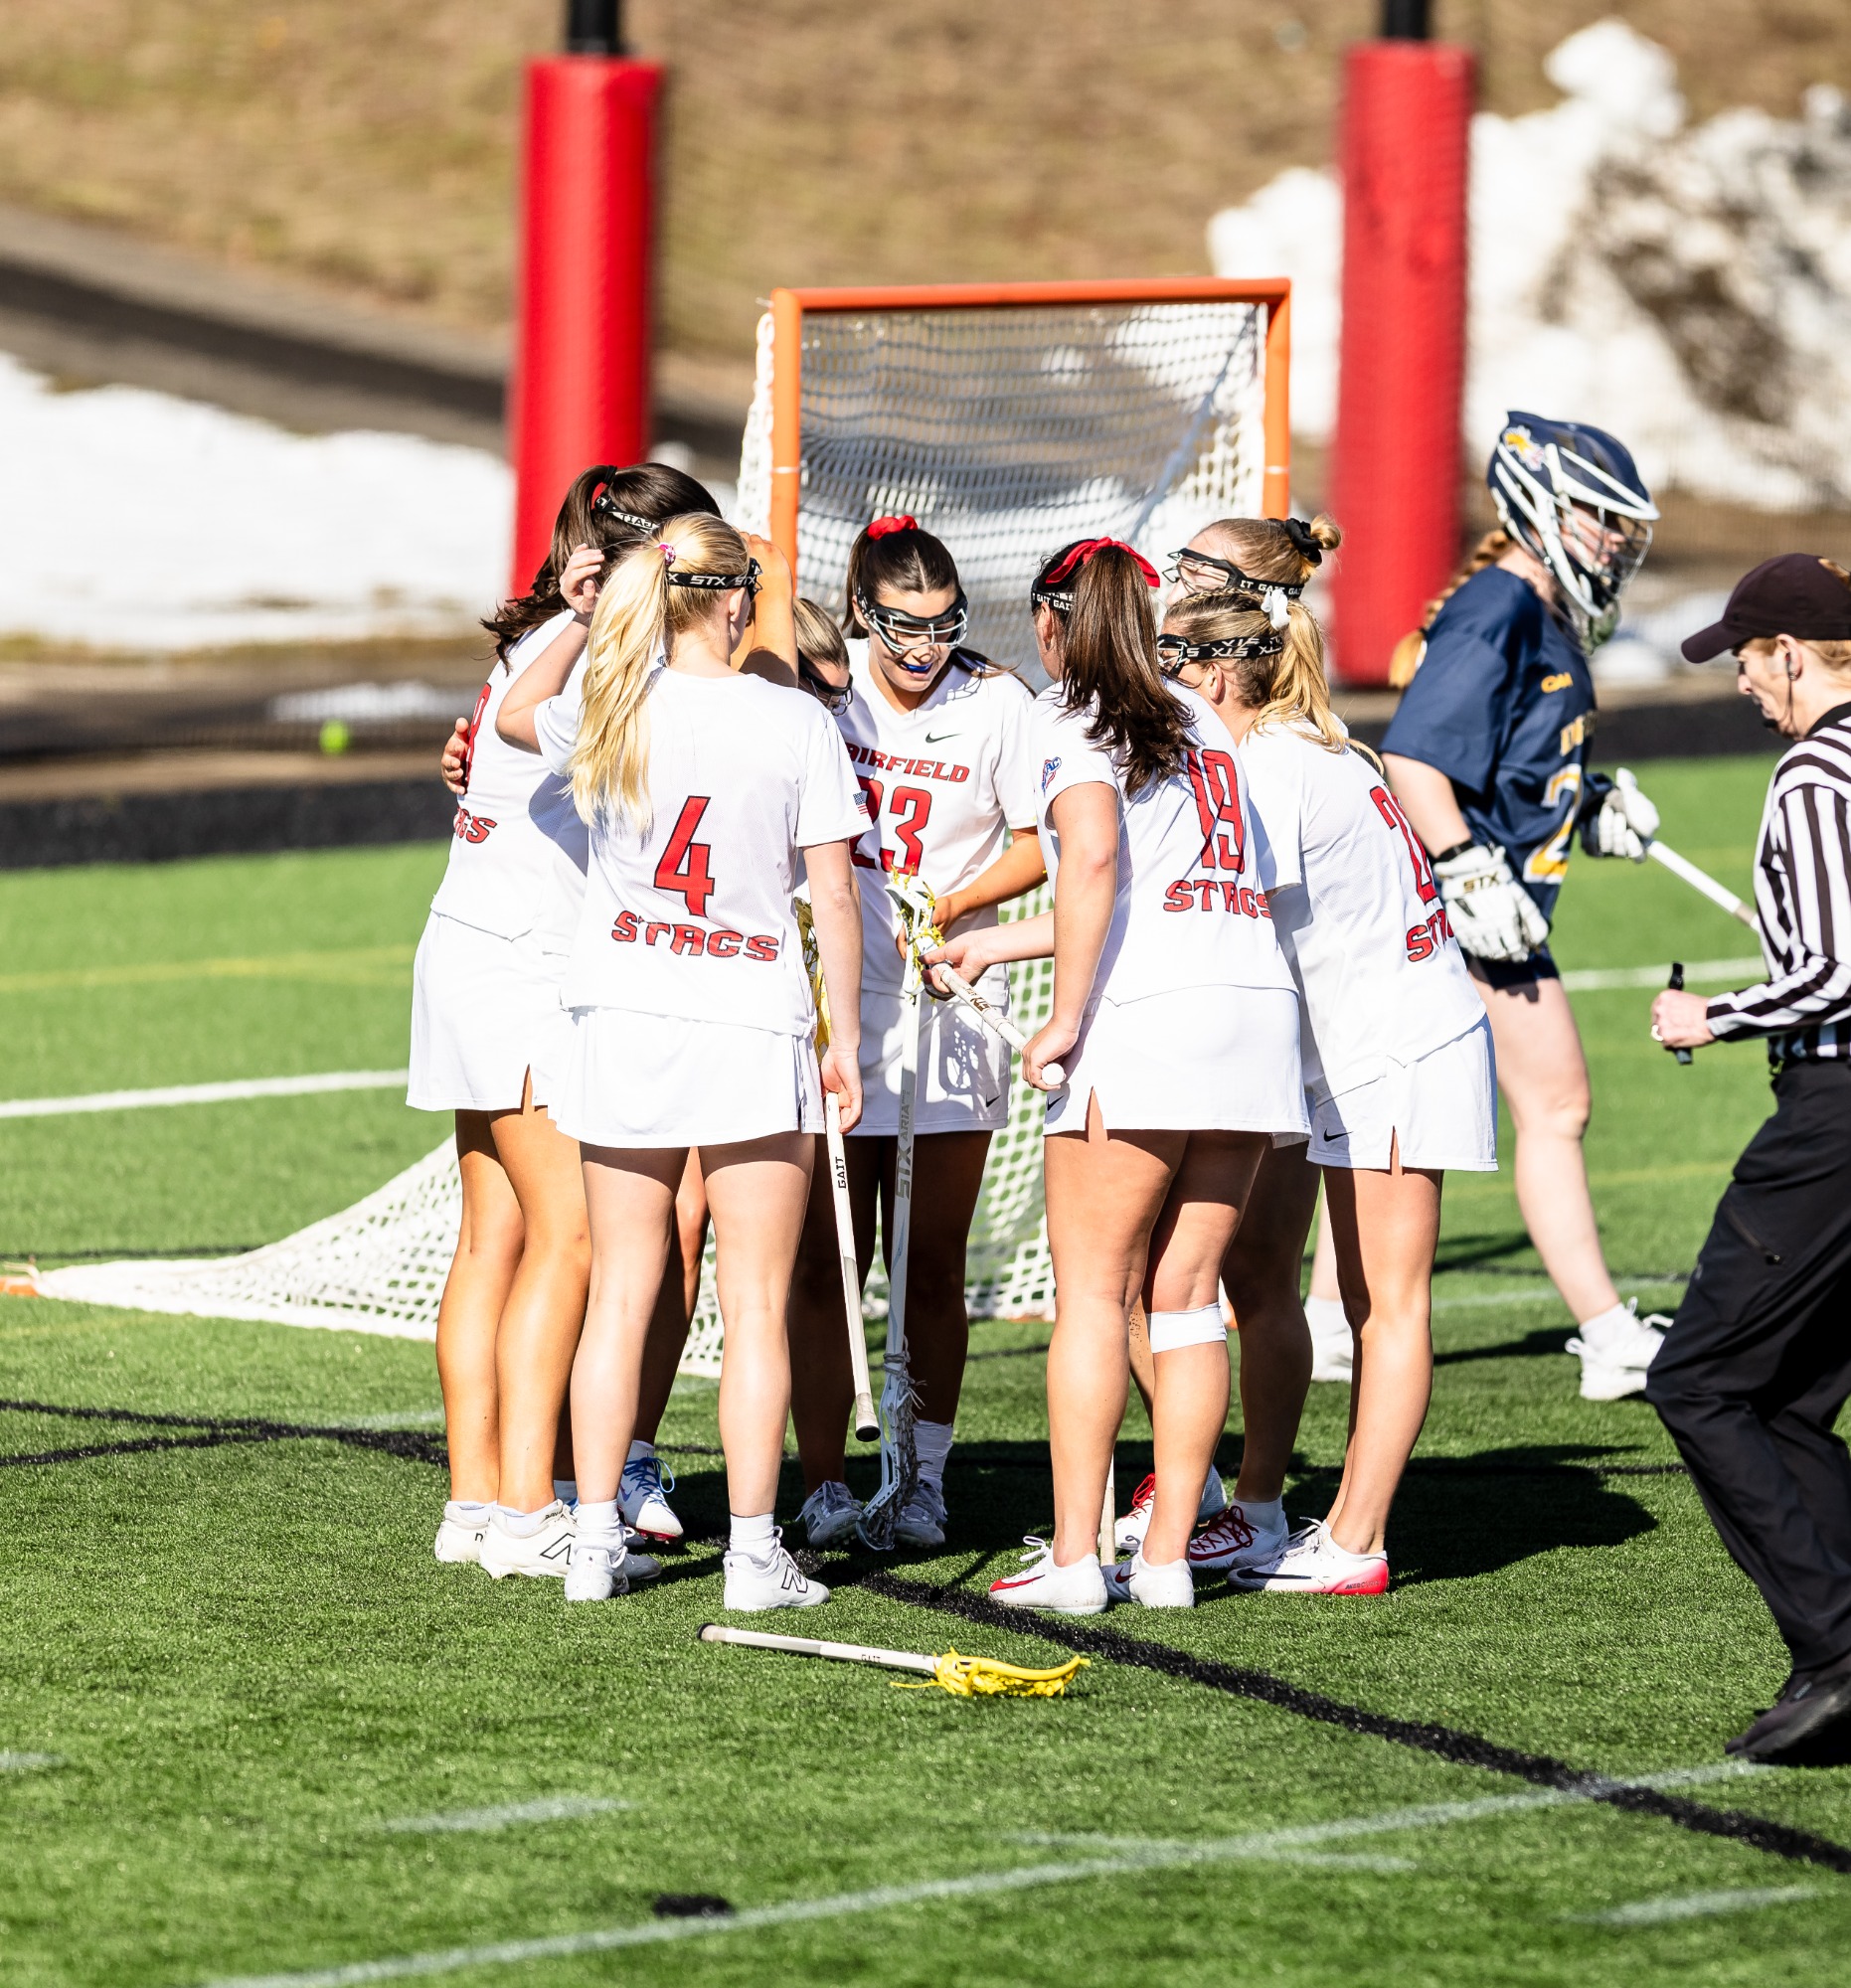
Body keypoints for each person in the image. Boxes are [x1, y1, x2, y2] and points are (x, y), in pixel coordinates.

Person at [498, 512, 868, 1609]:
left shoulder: (610, 701)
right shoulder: (792, 720)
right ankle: (753, 1555)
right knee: (753, 1302)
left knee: (620, 1289)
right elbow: (835, 895)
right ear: (735, 597)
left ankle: (592, 1537)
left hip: (624, 1016)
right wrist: (844, 1035)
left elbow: (512, 715)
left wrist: (580, 614)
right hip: (750, 1018)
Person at [933, 538, 1306, 1613]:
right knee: (1187, 1301)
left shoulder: (1072, 718)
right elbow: (1169, 893)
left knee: (1093, 1298)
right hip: (1249, 1026)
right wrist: (995, 945)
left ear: (1053, 623)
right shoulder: (1204, 723)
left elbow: (1092, 858)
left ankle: (1073, 1557)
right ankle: (1164, 1559)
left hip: (1147, 1030)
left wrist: (1059, 1017)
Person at [1148, 557, 1496, 1593]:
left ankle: (1352, 1538)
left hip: (1392, 1048)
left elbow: (1218, 918)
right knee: (1282, 1276)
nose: (1157, 677)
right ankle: (1263, 1515)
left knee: (1383, 1303)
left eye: (1168, 658)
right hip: (1346, 1051)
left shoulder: (1272, 769)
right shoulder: (1309, 746)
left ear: (1215, 673)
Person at [413, 461, 715, 1578]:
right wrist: (589, 621)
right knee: (569, 1236)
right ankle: (532, 1507)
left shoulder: (547, 633)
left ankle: (476, 1500)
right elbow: (511, 735)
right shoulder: (584, 641)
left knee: (493, 1235)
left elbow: (492, 744)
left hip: (468, 946)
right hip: (523, 965)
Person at [1376, 414, 1669, 1403]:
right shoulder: (1498, 603)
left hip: (1489, 897)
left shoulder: (1533, 606)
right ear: (1542, 502)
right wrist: (1463, 866)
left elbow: (1502, 753)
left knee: (1397, 1126)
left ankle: (1334, 1319)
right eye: (1597, 516)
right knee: (1550, 1100)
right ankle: (1601, 1329)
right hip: (1459, 909)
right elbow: (1413, 756)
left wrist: (1586, 801)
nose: (1611, 539)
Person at [785, 517, 1044, 1553]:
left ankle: (925, 1476)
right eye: (900, 626)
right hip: (832, 1007)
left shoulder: (995, 705)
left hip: (946, 1007)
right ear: (858, 610)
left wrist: (953, 901)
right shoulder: (815, 685)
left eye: (942, 624)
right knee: (823, 1261)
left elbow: (1036, 847)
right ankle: (821, 1481)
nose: (923, 647)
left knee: (929, 1260)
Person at [1647, 554, 1851, 1761]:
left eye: (1744, 654)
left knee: (1701, 1381)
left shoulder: (1812, 775)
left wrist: (1710, 1016)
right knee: (1787, 1395)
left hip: (1830, 1114)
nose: (1736, 679)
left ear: (1790, 652)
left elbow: (1832, 970)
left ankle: (1833, 1652)